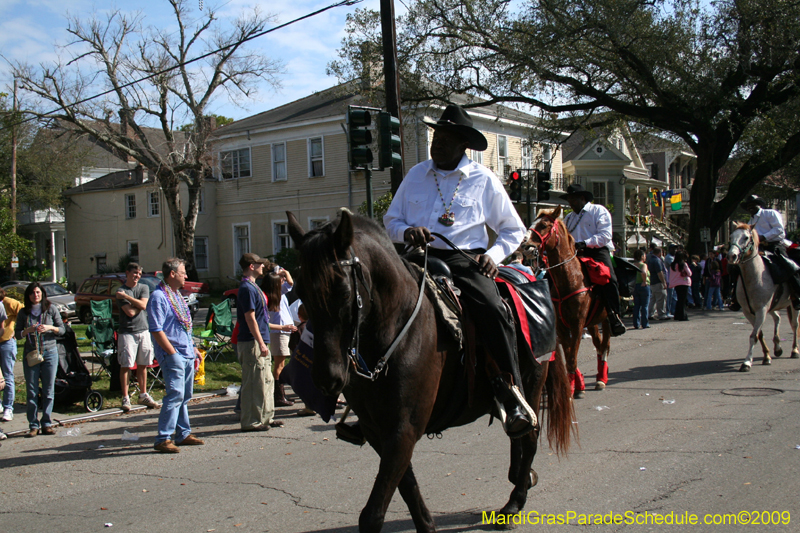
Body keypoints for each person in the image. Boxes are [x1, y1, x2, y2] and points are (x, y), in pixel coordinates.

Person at [383, 104, 533, 437]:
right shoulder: (416, 175)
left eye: (447, 140)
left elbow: (514, 229)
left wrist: (494, 255)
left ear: (463, 145)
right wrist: (406, 232)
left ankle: (511, 391)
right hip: (416, 257)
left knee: (494, 309)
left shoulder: (483, 179)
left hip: (463, 261)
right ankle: (363, 390)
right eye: (437, 137)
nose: (437, 145)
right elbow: (391, 220)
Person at [147, 258, 204, 453]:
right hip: (173, 355)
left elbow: (184, 326)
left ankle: (183, 433)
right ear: (172, 274)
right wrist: (172, 353)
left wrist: (193, 348)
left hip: (186, 352)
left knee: (185, 396)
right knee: (175, 395)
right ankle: (163, 438)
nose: (186, 276)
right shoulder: (158, 297)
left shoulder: (176, 295)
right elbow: (156, 329)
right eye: (183, 272)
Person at [237, 253, 294, 432]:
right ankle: (251, 421)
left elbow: (262, 320)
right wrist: (261, 342)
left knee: (266, 381)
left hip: (262, 339)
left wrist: (281, 327)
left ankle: (267, 417)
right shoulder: (246, 288)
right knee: (254, 383)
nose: (263, 266)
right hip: (252, 342)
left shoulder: (255, 287)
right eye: (259, 264)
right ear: (251, 266)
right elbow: (250, 318)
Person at [560, 183, 627, 336]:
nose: (570, 203)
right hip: (574, 254)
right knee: (553, 277)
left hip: (596, 251)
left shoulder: (598, 211)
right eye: (568, 199)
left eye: (573, 199)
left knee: (609, 278)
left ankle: (613, 315)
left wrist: (586, 242)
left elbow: (605, 236)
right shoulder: (569, 218)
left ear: (582, 198)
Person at [730, 194, 800, 311]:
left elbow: (779, 230)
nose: (750, 207)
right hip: (759, 248)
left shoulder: (770, 213)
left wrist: (763, 237)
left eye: (753, 205)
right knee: (736, 267)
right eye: (748, 206)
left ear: (760, 205)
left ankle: (796, 295)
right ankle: (735, 297)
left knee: (788, 266)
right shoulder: (750, 221)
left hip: (775, 245)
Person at [14, 282, 65, 437]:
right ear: (28, 296)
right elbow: (17, 334)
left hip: (50, 351)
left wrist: (49, 328)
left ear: (42, 294)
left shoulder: (51, 309)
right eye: (32, 293)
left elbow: (62, 329)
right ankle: (33, 425)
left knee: (49, 389)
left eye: (37, 292)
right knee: (32, 390)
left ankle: (47, 423)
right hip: (32, 354)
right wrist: (27, 331)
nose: (35, 295)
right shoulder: (23, 313)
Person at [115, 263, 158, 411]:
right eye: (134, 273)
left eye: (139, 274)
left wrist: (129, 298)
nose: (137, 276)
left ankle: (143, 394)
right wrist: (138, 303)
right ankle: (126, 398)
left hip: (143, 330)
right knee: (126, 365)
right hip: (127, 332)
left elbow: (144, 305)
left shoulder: (143, 288)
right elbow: (130, 313)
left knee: (143, 364)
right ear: (127, 273)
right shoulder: (120, 290)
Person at [263, 268, 298, 407]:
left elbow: (290, 283)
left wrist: (283, 272)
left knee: (281, 364)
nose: (283, 280)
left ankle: (279, 394)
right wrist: (284, 327)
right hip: (278, 334)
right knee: (279, 365)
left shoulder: (280, 293)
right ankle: (278, 395)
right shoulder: (271, 298)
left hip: (284, 333)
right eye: (280, 280)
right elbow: (266, 323)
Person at [1, 288, 22, 422]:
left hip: (6, 342)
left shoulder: (8, 303)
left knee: (7, 374)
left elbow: (25, 312)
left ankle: (8, 407)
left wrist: (15, 328)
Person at [668, 252, 693, 321]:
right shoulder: (683, 264)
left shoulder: (672, 265)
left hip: (676, 284)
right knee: (683, 300)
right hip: (684, 283)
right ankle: (683, 315)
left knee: (679, 299)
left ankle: (677, 315)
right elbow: (689, 273)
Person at [647, 247, 668, 320]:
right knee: (661, 297)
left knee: (653, 298)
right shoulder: (657, 260)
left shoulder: (650, 259)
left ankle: (650, 313)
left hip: (652, 282)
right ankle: (661, 314)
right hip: (658, 282)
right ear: (660, 253)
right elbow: (660, 272)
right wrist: (664, 282)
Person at [631, 249, 650, 329]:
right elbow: (643, 272)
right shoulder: (643, 265)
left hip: (635, 286)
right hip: (643, 286)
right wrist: (645, 281)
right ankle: (645, 323)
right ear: (642, 256)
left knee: (636, 305)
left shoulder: (632, 265)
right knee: (645, 305)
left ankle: (636, 323)